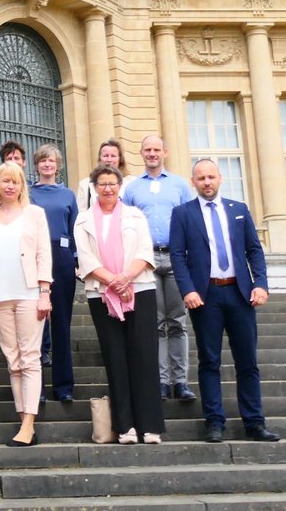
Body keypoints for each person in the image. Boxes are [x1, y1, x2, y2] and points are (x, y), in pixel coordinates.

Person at [170, 159, 280, 444]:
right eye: (201, 178)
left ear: (220, 179)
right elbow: (178, 256)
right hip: (205, 296)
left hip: (240, 294)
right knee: (209, 361)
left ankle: (254, 422)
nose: (207, 182)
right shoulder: (182, 214)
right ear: (193, 181)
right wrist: (187, 290)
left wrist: (261, 284)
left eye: (211, 177)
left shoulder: (239, 210)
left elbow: (254, 250)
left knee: (247, 361)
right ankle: (214, 421)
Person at [75, 164, 164, 445]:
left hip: (139, 288)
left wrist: (125, 278)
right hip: (101, 292)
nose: (108, 188)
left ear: (119, 186)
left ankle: (149, 426)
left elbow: (144, 250)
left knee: (144, 356)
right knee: (115, 358)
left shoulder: (135, 215)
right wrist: (113, 281)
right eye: (102, 183)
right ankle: (125, 427)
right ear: (94, 187)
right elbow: (86, 259)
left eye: (112, 183)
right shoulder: (83, 220)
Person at [0, 162, 52, 447]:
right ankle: (23, 416)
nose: (10, 186)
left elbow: (44, 254)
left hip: (29, 293)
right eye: (4, 181)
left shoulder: (35, 215)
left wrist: (45, 291)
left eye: (15, 181)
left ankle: (28, 423)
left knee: (30, 357)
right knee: (13, 359)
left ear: (22, 185)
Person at [122, 135, 197, 402]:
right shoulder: (131, 189)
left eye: (156, 149)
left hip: (176, 257)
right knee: (154, 323)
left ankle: (181, 381)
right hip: (146, 259)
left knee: (177, 321)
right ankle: (162, 381)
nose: (152, 154)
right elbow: (125, 225)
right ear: (141, 153)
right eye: (147, 150)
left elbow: (191, 220)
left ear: (164, 152)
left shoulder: (178, 185)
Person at [28, 144, 79, 403]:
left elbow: (75, 230)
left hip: (61, 257)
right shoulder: (28, 193)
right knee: (35, 326)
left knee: (61, 325)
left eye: (52, 161)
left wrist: (76, 259)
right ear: (36, 164)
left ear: (58, 165)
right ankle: (36, 388)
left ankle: (64, 387)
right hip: (35, 256)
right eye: (43, 160)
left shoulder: (68, 195)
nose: (47, 165)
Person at [76, 139, 135, 213]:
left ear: (120, 159)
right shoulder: (85, 185)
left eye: (113, 156)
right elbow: (81, 216)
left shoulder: (132, 183)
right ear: (100, 158)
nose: (109, 160)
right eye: (105, 156)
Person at [0, 140, 26, 208]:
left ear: (24, 162)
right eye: (9, 159)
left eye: (16, 158)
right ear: (3, 163)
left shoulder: (31, 188)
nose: (13, 162)